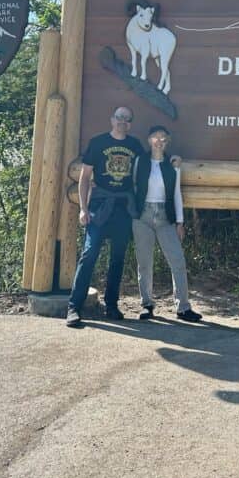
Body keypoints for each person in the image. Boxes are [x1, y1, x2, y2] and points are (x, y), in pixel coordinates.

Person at [66, 106, 144, 327]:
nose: (122, 122)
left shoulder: (135, 146)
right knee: (89, 255)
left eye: (127, 119)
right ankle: (74, 307)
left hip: (123, 208)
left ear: (130, 124)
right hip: (99, 206)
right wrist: (83, 208)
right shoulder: (98, 143)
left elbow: (143, 173)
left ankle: (111, 305)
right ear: (112, 120)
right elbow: (84, 177)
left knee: (117, 258)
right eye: (119, 118)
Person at [131, 125, 202, 322]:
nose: (159, 141)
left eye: (163, 138)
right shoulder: (140, 161)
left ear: (167, 142)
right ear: (149, 140)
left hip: (165, 216)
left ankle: (183, 307)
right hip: (142, 216)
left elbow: (176, 193)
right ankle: (147, 305)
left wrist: (180, 222)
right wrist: (133, 214)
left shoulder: (173, 164)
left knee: (178, 261)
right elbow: (134, 187)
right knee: (144, 263)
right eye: (156, 137)